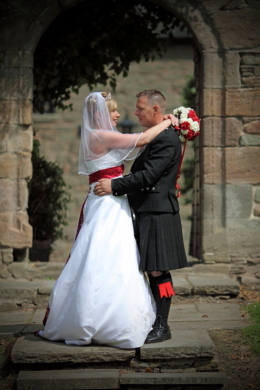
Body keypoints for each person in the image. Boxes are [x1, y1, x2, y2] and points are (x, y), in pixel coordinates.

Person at [36, 91, 179, 349]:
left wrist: (115, 185)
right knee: (101, 257)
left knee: (118, 258)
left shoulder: (102, 136)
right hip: (107, 203)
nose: (120, 114)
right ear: (99, 114)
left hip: (115, 203)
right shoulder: (100, 135)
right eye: (113, 110)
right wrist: (171, 120)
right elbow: (143, 139)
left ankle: (123, 317)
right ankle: (97, 319)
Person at [94, 90, 188, 344]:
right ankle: (155, 320)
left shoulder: (167, 139)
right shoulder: (159, 136)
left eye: (140, 108)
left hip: (158, 212)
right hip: (149, 210)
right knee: (151, 268)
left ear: (155, 110)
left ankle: (162, 325)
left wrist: (114, 186)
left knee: (158, 270)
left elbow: (148, 176)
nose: (135, 112)